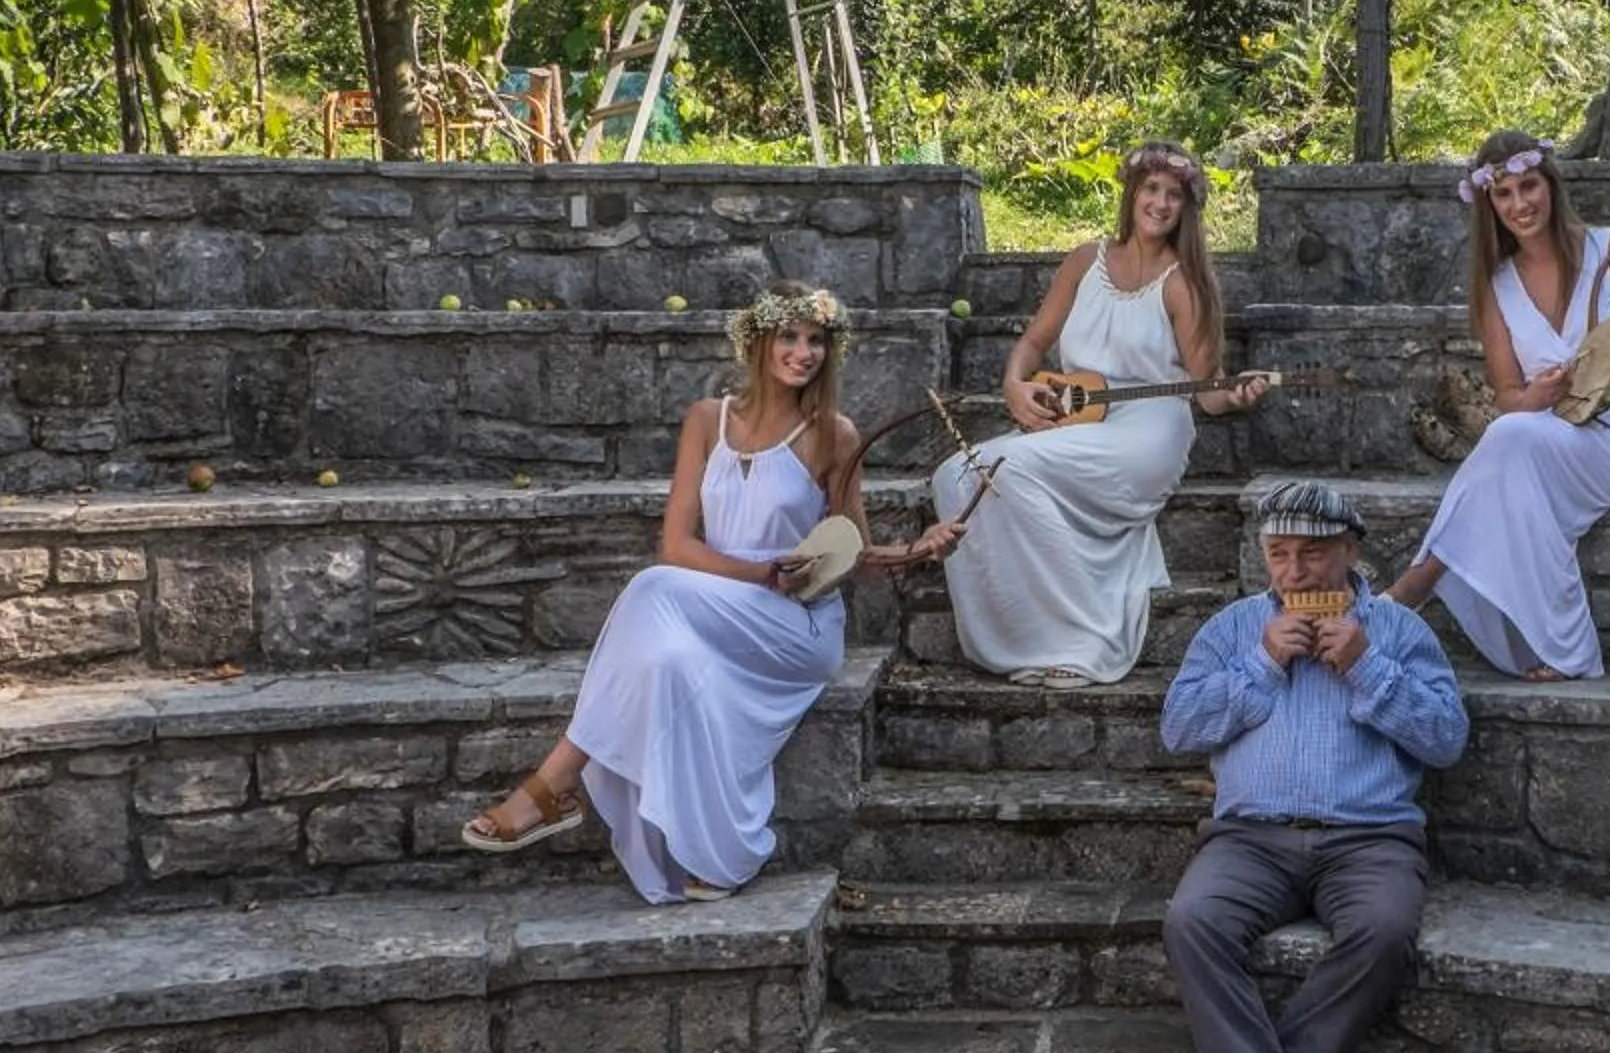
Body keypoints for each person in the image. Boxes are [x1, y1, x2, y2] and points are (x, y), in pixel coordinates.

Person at [461, 281, 958, 901]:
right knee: (666, 658)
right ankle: (719, 858)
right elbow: (677, 545)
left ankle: (557, 781)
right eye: (790, 337)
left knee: (652, 588)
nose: (804, 353)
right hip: (719, 598)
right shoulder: (706, 420)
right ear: (758, 340)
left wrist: (921, 547)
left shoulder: (834, 433)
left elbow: (851, 553)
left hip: (795, 625)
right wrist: (759, 573)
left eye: (817, 342)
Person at [1160, 480, 1469, 1053]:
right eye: (1280, 555)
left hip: (1370, 838)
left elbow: (1448, 740)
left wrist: (1368, 666)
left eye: (1313, 555)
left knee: (1385, 930)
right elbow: (1179, 730)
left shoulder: (1399, 631)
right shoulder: (1232, 628)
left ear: (1351, 552)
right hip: (1249, 838)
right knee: (1191, 922)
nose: (1295, 574)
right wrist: (1260, 664)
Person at [932, 141, 1266, 689]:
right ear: (1132, 193)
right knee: (956, 474)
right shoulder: (1086, 260)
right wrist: (1014, 385)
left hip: (1151, 429)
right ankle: (1027, 636)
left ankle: (1083, 636)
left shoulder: (1185, 284)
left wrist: (1237, 395)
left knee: (1004, 472)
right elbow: (1035, 341)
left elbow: (1208, 393)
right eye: (1151, 189)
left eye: (1174, 195)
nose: (1159, 203)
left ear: (1187, 208)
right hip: (1081, 415)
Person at [1385, 131, 1610, 681]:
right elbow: (1509, 396)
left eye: (1528, 186)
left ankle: (1420, 578)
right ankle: (1567, 650)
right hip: (1537, 437)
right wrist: (1541, 395)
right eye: (1503, 195)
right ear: (1489, 205)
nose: (1519, 204)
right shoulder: (1495, 285)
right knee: (1514, 440)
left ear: (1550, 184)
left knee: (1509, 441)